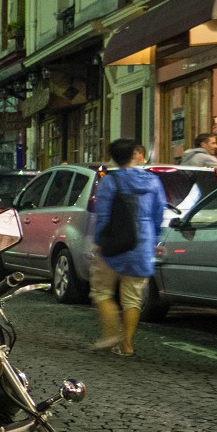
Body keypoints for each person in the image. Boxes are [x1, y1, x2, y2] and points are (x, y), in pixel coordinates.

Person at [90, 139, 166, 357]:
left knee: (101, 291)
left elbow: (103, 215)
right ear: (135, 154)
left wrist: (100, 241)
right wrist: (153, 238)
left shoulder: (110, 181)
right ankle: (127, 344)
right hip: (142, 243)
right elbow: (159, 214)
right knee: (133, 297)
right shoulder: (153, 181)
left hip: (114, 243)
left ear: (113, 157)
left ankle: (112, 333)